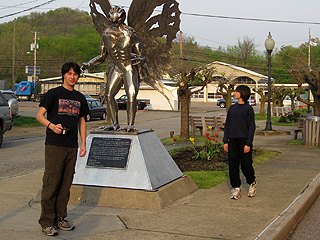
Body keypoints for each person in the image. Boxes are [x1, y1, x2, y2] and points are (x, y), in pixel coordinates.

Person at [36, 62, 89, 236]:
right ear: (63, 75)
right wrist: (52, 126)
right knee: (51, 183)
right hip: (54, 144)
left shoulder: (80, 98)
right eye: (69, 73)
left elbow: (82, 121)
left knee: (65, 184)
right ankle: (47, 222)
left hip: (71, 146)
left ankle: (60, 218)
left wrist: (83, 143)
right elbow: (39, 115)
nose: (72, 76)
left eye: (75, 74)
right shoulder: (53, 94)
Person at [81, 6, 146, 132]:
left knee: (131, 95)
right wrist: (89, 64)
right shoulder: (106, 34)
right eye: (113, 20)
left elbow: (142, 54)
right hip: (116, 68)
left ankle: (130, 124)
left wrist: (140, 59)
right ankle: (114, 124)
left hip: (129, 68)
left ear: (122, 19)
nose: (115, 23)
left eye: (117, 20)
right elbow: (101, 56)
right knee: (109, 95)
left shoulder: (131, 34)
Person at [223, 85, 256, 200]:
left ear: (242, 93)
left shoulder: (248, 109)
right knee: (233, 165)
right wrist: (225, 141)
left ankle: (251, 182)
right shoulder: (232, 108)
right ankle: (236, 187)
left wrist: (248, 143)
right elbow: (228, 125)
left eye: (236, 91)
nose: (234, 93)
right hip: (232, 140)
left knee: (246, 165)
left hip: (244, 141)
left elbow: (251, 127)